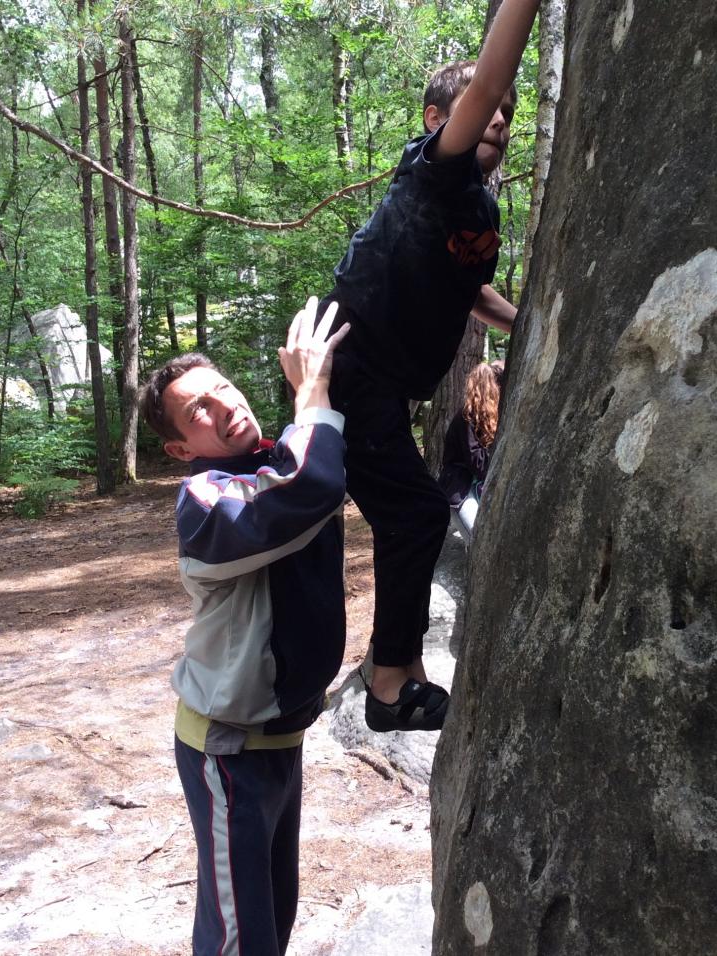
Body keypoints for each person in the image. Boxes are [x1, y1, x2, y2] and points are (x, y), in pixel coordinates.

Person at [321, 0, 539, 733]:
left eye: (510, 113)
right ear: (434, 118)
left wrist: (527, 324)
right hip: (351, 372)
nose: (499, 120)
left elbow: (468, 289)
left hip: (384, 387)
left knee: (413, 518)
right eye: (487, 109)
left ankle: (406, 675)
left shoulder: (475, 205)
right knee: (416, 514)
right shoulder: (433, 173)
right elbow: (481, 89)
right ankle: (388, 686)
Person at [137, 297, 350, 956]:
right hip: (226, 751)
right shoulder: (204, 506)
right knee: (239, 938)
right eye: (197, 409)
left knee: (270, 921)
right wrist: (313, 390)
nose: (222, 404)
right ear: (180, 447)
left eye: (221, 388)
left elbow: (319, 463)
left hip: (281, 736)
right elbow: (305, 487)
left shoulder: (274, 457)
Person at [439, 360, 504, 540]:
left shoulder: (490, 418)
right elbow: (477, 462)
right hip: (461, 491)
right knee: (480, 539)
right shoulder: (466, 418)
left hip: (480, 488)